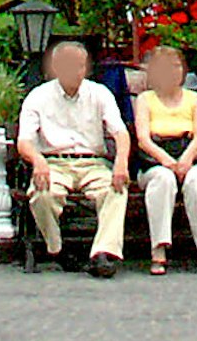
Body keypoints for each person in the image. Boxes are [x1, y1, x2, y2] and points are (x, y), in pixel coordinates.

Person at [15, 37, 130, 278]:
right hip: (54, 163)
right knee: (42, 194)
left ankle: (102, 254)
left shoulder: (99, 93)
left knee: (115, 189)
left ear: (86, 67)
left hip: (92, 162)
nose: (74, 71)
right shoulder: (38, 96)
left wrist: (121, 161)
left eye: (79, 65)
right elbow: (24, 141)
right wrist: (38, 161)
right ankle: (57, 249)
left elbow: (120, 132)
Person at [125, 41, 197, 273]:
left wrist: (186, 160)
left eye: (176, 66)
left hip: (190, 154)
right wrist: (167, 161)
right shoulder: (146, 100)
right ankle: (159, 248)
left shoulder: (196, 99)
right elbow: (143, 139)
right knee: (163, 179)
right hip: (155, 159)